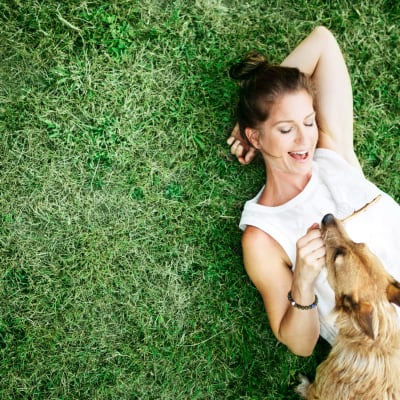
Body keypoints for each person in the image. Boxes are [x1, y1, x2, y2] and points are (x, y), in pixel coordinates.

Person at [227, 26, 400, 356]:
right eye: (285, 129)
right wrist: (303, 281)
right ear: (257, 138)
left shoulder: (333, 155)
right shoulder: (263, 236)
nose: (304, 139)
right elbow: (300, 345)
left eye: (308, 121)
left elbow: (323, 41)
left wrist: (253, 111)